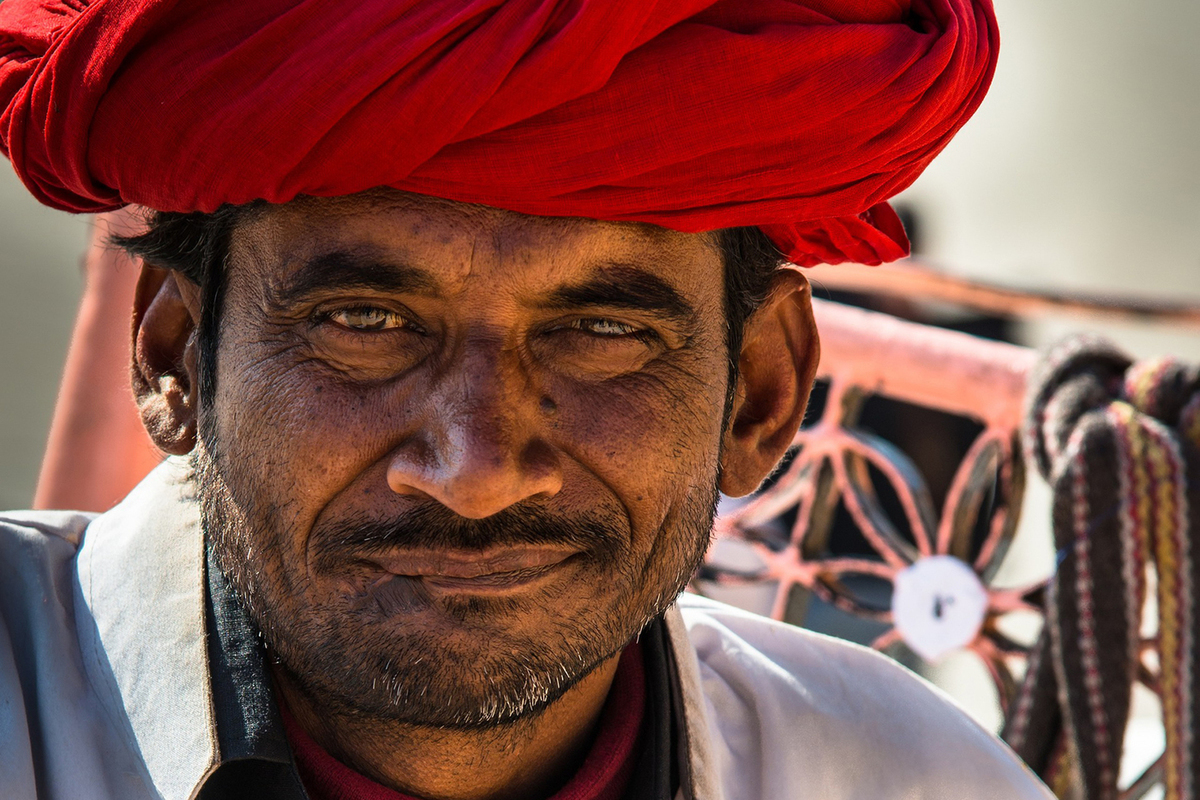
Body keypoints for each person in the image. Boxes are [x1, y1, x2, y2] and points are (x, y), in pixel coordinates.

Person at [0, 1, 1053, 798]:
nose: (476, 465)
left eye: (601, 333)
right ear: (175, 359)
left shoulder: (911, 775)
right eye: (365, 323)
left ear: (761, 397)